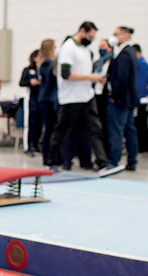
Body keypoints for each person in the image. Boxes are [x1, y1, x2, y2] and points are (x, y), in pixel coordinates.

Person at [49, 22, 109, 174]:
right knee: (62, 130)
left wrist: (94, 79)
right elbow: (66, 74)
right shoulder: (68, 48)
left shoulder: (85, 50)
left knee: (95, 129)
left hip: (86, 96)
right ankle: (51, 161)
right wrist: (90, 77)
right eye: (90, 36)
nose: (91, 39)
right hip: (71, 98)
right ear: (82, 31)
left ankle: (102, 163)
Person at [106, 26, 139, 171]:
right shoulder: (129, 52)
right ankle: (132, 160)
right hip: (128, 99)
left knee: (116, 130)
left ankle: (113, 161)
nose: (114, 37)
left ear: (125, 36)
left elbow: (121, 78)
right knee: (129, 129)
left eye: (116, 34)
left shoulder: (125, 54)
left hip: (121, 100)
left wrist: (114, 95)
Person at [37, 40, 59, 167]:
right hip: (46, 99)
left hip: (47, 98)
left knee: (51, 128)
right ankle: (47, 157)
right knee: (50, 128)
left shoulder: (48, 62)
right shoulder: (46, 63)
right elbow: (50, 80)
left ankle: (51, 156)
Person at [18, 50, 42, 155]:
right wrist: (30, 82)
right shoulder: (27, 70)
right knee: (30, 123)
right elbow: (21, 82)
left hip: (41, 99)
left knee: (39, 123)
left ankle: (36, 145)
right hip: (31, 99)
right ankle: (28, 146)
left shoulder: (42, 70)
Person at [93, 37, 114, 145]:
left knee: (106, 123)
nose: (101, 48)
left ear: (110, 48)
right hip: (97, 95)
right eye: (100, 46)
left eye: (103, 46)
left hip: (106, 96)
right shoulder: (97, 63)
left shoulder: (112, 62)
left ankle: (106, 147)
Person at [133, 44, 148, 153]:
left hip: (143, 99)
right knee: (141, 123)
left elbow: (140, 83)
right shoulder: (143, 63)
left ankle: (144, 146)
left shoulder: (141, 63)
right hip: (143, 98)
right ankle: (143, 146)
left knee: (141, 123)